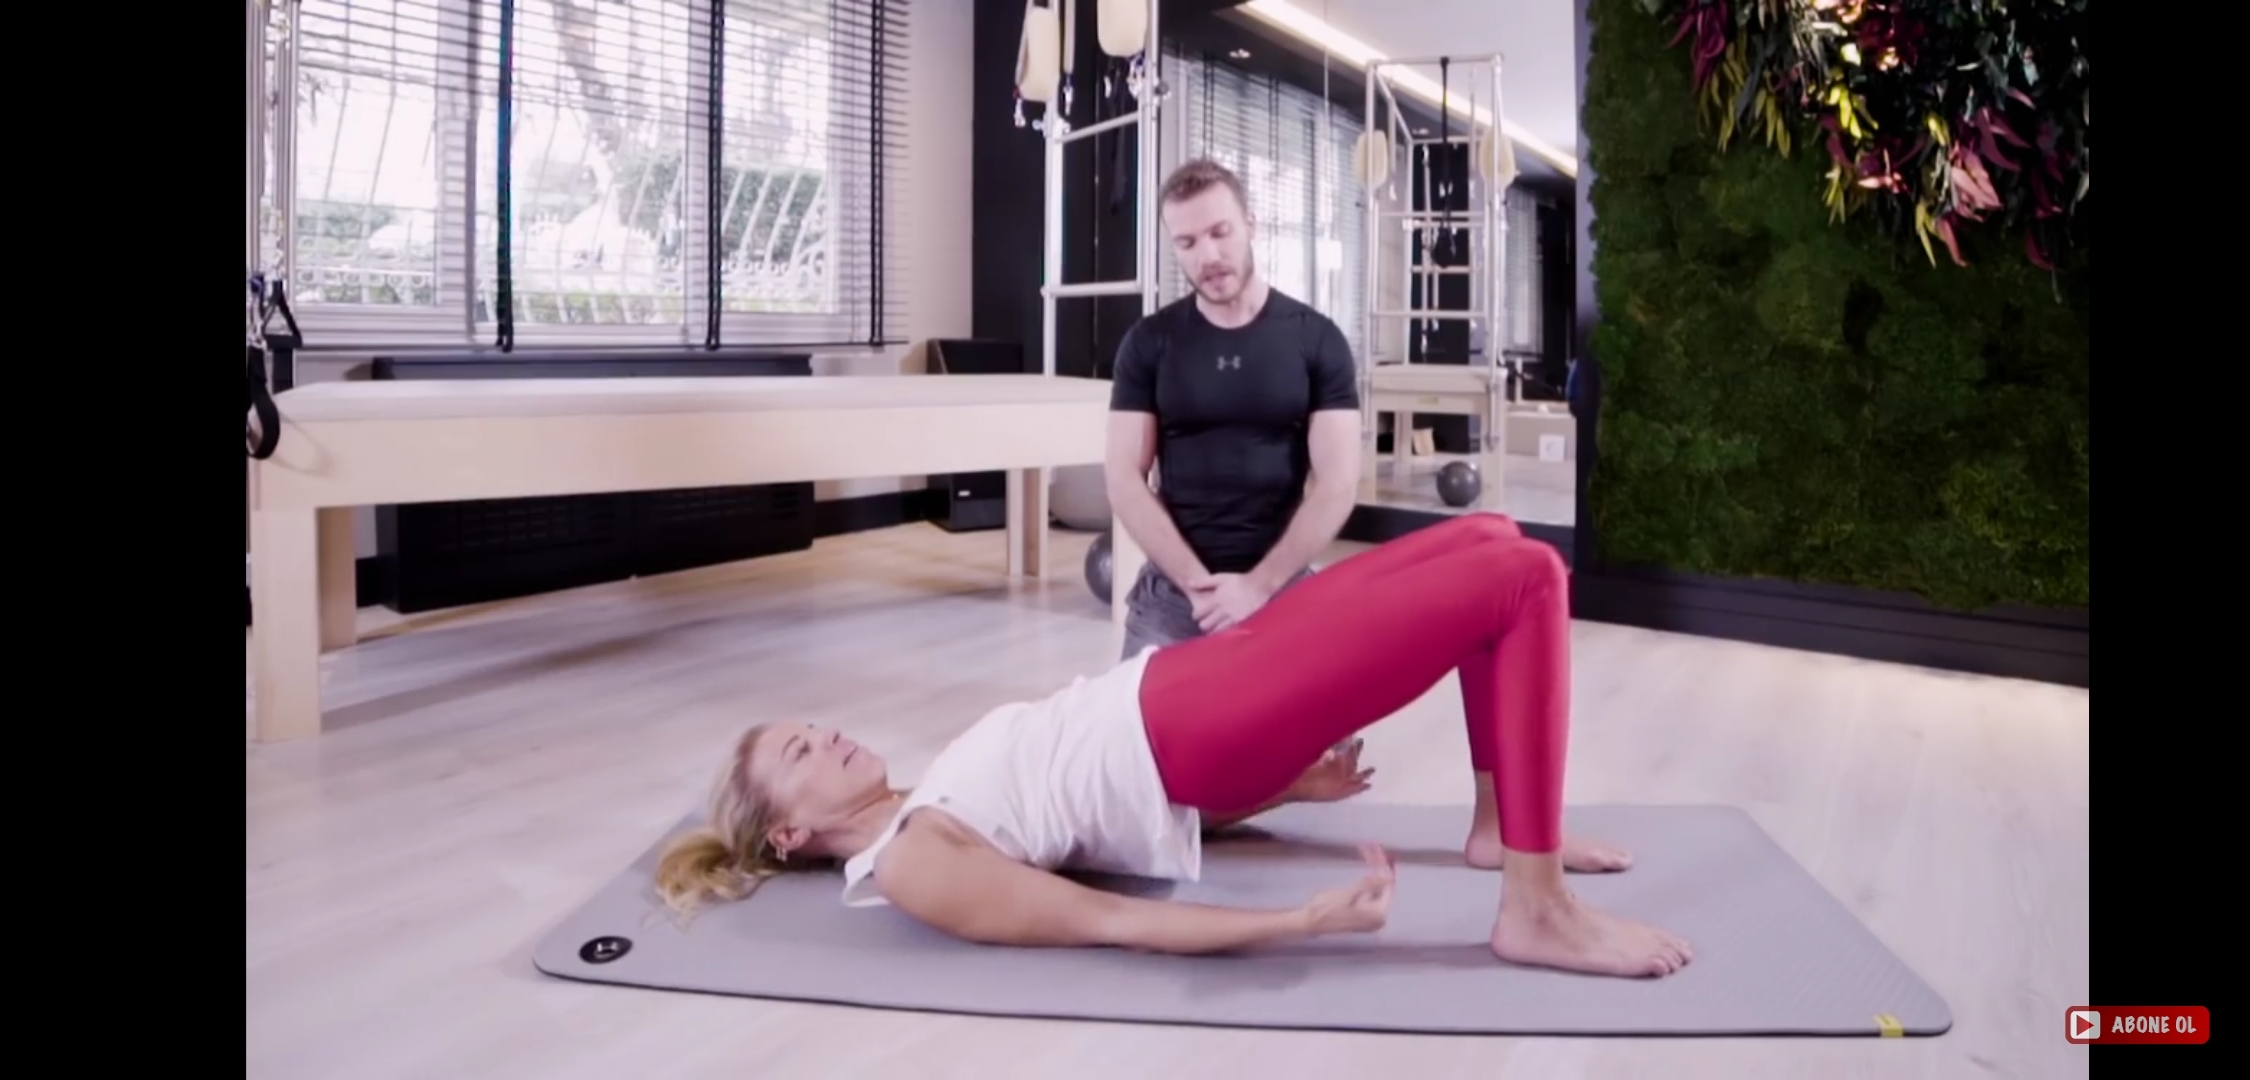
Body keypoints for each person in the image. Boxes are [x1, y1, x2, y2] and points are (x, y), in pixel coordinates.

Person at [655, 512, 1694, 979]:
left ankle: (1498, 830)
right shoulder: (909, 863)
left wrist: (1284, 791)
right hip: (1197, 720)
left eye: (811, 726)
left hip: (1195, 692)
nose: (827, 735)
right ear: (788, 836)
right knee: (1527, 581)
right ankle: (1535, 906)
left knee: (1493, 536)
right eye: (800, 753)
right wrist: (1297, 922)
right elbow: (1103, 917)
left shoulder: (927, 799)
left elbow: (1104, 819)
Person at [1105, 157, 1362, 660]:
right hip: (1178, 594)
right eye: (1187, 243)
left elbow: (1339, 484)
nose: (1208, 255)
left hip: (1281, 584)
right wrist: (1199, 588)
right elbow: (1123, 477)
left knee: (1325, 709)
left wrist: (1258, 587)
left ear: (1250, 225)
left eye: (1220, 232)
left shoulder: (1316, 339)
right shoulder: (1148, 342)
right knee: (1136, 713)